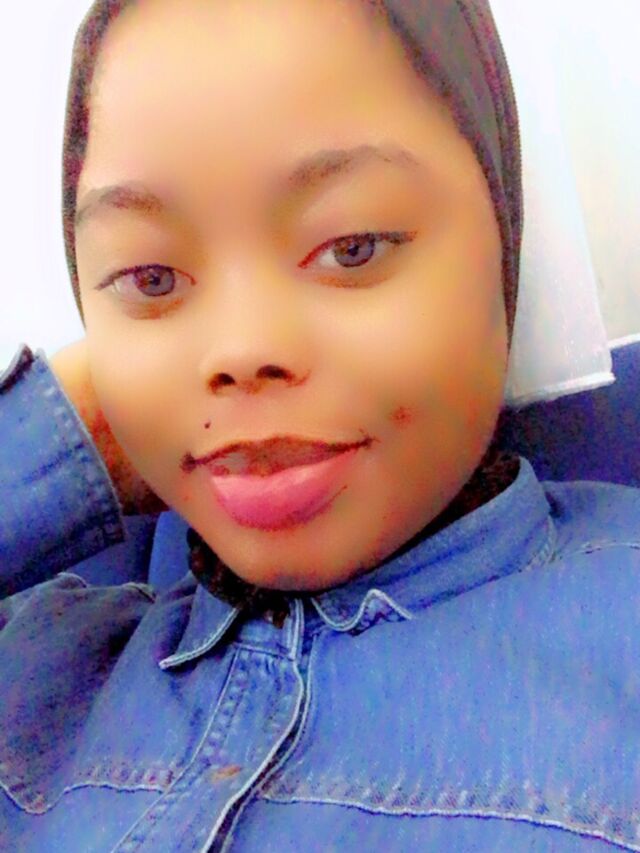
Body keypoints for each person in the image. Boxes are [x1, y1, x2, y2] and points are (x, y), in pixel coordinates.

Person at [1, 0, 638, 850]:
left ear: (503, 237)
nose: (241, 348)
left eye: (352, 247)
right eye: (151, 278)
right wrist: (71, 435)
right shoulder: (42, 663)